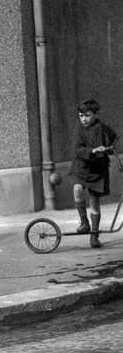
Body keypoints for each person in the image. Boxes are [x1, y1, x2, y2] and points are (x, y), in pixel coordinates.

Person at [68, 99, 118, 248]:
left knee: (94, 201)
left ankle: (94, 235)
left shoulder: (103, 128)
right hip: (81, 167)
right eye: (81, 115)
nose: (83, 119)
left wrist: (108, 149)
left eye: (87, 115)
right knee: (77, 189)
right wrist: (94, 150)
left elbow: (114, 139)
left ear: (95, 114)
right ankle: (84, 223)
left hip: (97, 170)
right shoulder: (79, 128)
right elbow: (77, 149)